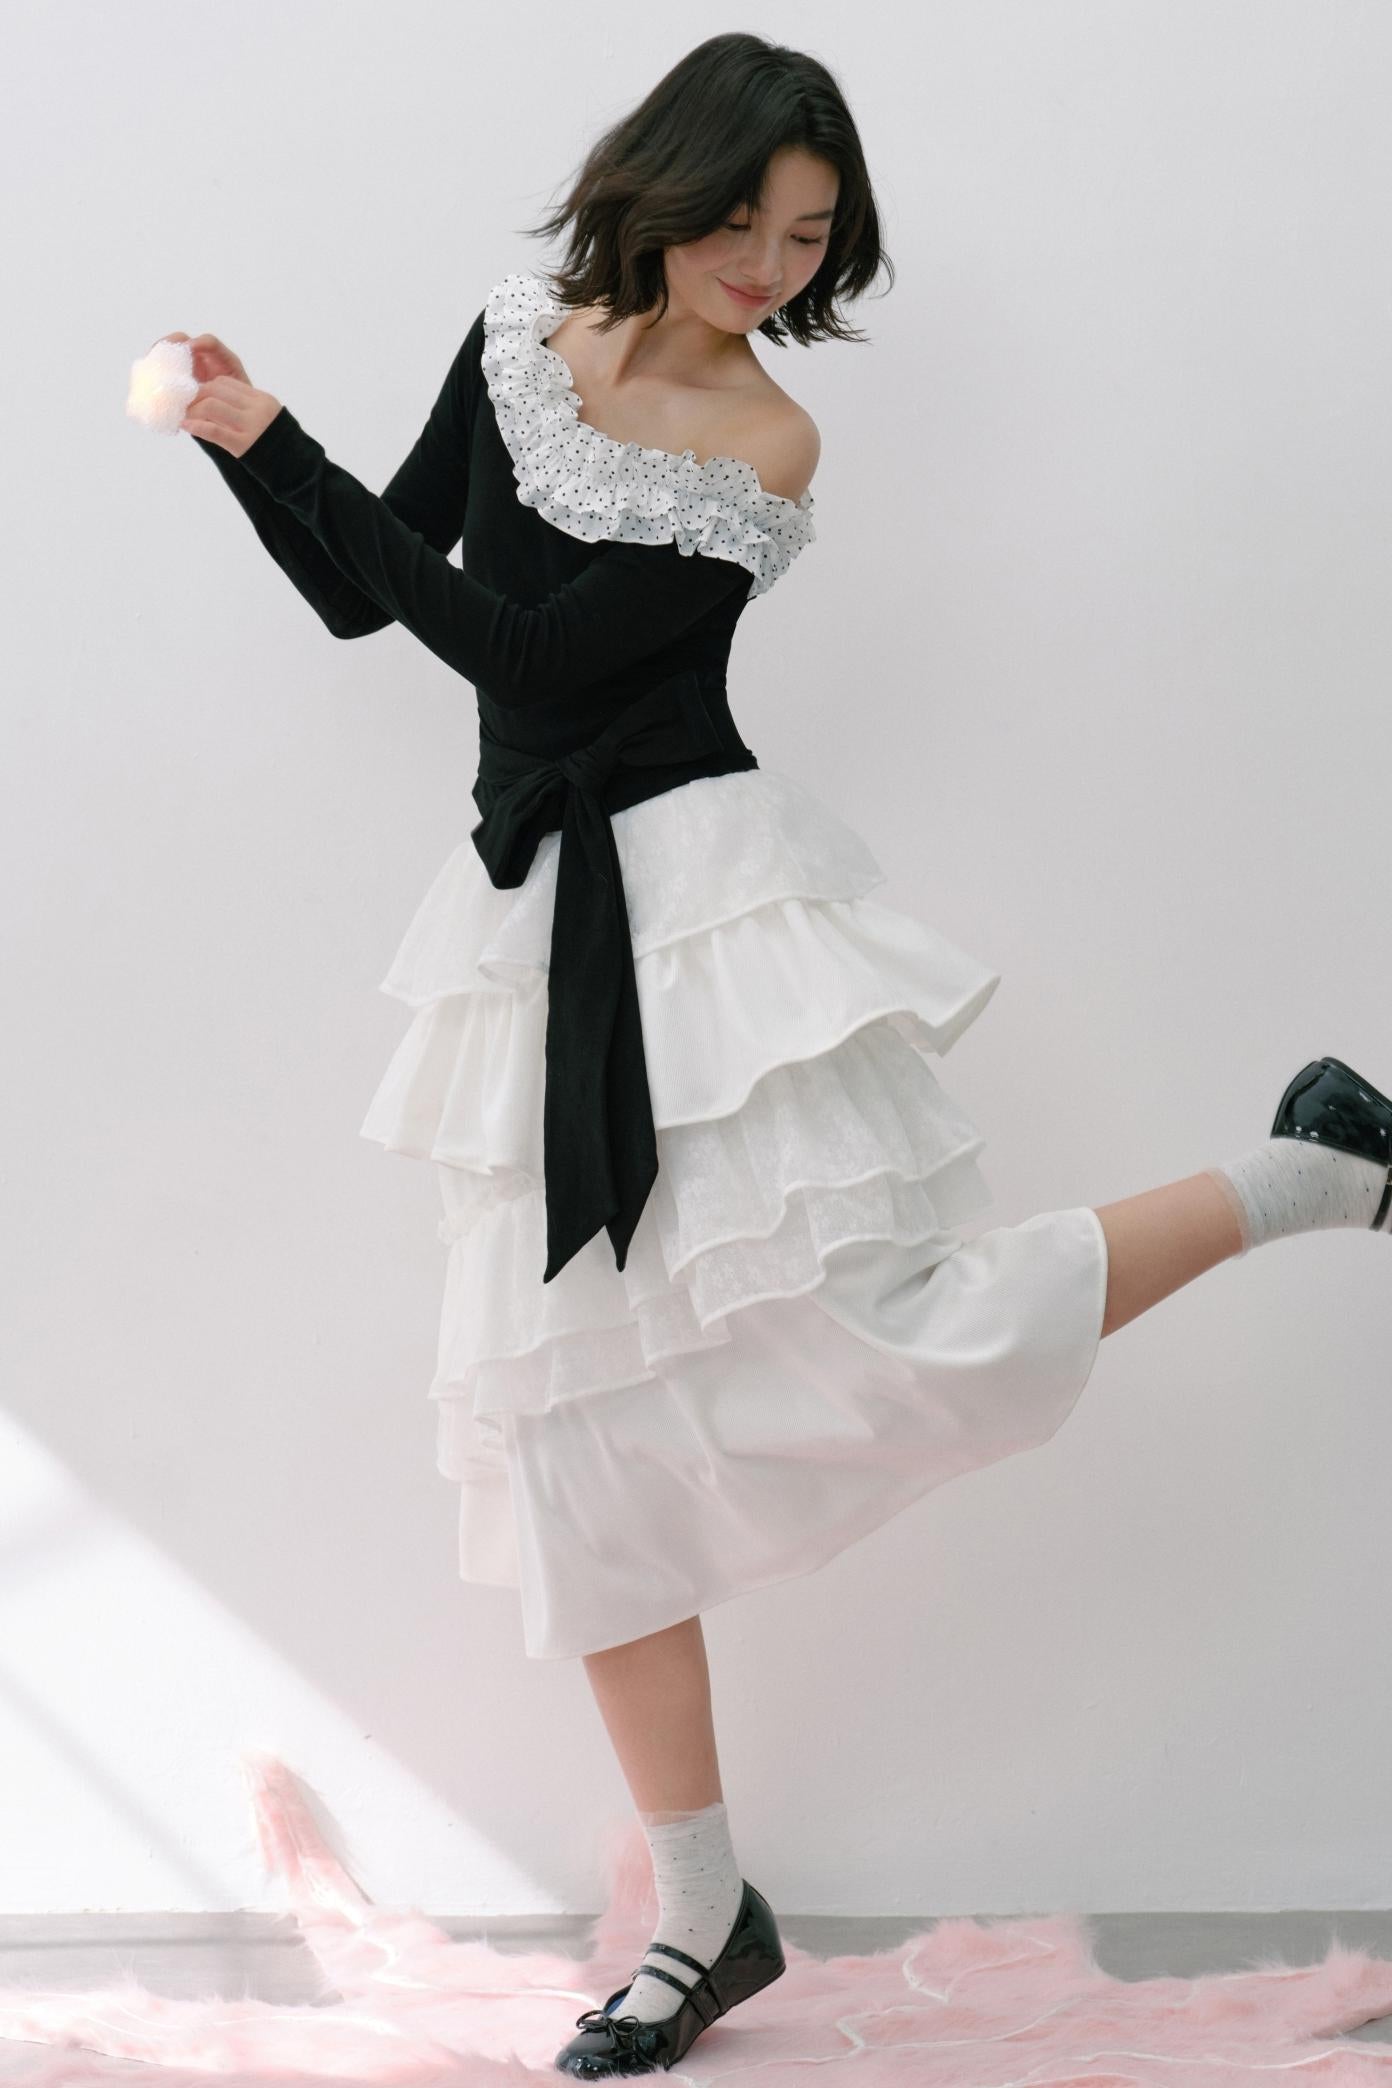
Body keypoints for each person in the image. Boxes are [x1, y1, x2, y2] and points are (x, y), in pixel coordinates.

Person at [165, 30, 1392, 2079]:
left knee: (900, 1329)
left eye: (807, 237)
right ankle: (704, 1910)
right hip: (532, 926)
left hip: (702, 916)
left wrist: (286, 444)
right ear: (662, 186)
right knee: (575, 1447)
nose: (764, 263)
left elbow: (531, 658)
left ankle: (1305, 1174)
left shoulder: (769, 439)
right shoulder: (517, 336)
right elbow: (373, 597)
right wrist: (238, 441)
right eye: (741, 218)